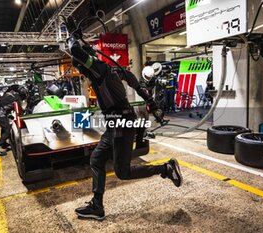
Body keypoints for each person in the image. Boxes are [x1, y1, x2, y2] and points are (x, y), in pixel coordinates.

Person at [65, 17, 183, 221]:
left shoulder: (100, 69)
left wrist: (73, 38)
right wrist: (152, 104)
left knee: (123, 172)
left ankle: (166, 168)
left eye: (84, 67)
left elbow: (76, 54)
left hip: (121, 124)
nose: (81, 70)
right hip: (116, 125)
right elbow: (136, 84)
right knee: (96, 159)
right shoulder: (115, 71)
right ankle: (97, 206)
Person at [0, 85, 28, 156]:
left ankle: (3, 144)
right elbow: (20, 112)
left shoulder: (10, 93)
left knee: (5, 126)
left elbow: (6, 105)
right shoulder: (17, 99)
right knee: (7, 130)